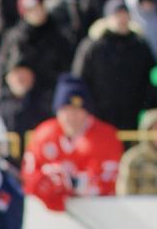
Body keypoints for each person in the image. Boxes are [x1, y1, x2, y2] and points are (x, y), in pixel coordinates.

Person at [22, 72, 122, 208]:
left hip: (97, 212)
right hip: (48, 216)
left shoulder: (106, 138)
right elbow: (29, 176)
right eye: (66, 110)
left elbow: (108, 183)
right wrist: (46, 183)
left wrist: (73, 183)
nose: (71, 117)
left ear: (87, 112)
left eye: (77, 110)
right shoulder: (44, 135)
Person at [73, 0, 156, 132]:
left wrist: (145, 107)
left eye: (125, 14)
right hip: (99, 117)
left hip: (132, 118)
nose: (121, 19)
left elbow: (150, 79)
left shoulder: (140, 46)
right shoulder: (93, 46)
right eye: (117, 14)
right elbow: (80, 78)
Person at [0, 0, 75, 109]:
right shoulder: (14, 38)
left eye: (39, 7)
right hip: (21, 101)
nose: (36, 13)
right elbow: (4, 69)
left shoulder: (58, 35)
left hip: (50, 97)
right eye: (31, 10)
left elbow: (65, 67)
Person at [0, 59, 51, 132]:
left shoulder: (44, 104)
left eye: (25, 76)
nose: (21, 79)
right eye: (17, 75)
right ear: (8, 78)